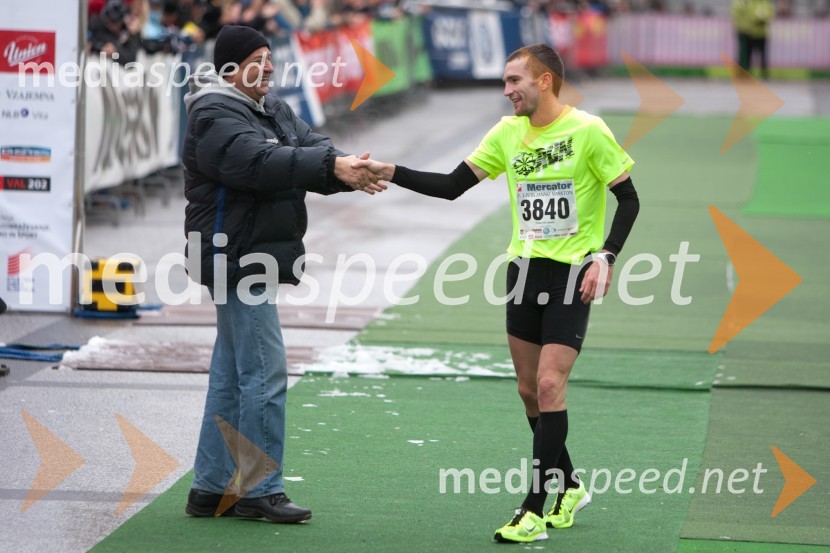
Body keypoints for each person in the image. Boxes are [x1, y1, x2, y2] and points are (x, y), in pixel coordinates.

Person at [354, 43, 639, 543]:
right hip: (524, 273)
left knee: (551, 386)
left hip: (572, 273)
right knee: (529, 391)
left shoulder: (589, 130)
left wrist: (606, 256)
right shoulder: (507, 133)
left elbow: (629, 200)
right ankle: (570, 484)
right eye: (505, 84)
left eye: (514, 82)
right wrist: (392, 171)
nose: (507, 92)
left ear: (544, 81)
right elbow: (449, 186)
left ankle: (533, 507)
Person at [182, 24, 383, 523]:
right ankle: (260, 490)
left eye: (270, 57)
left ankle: (209, 488)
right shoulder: (213, 111)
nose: (270, 67)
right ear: (231, 67)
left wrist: (344, 166)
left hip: (250, 255)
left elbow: (310, 147)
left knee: (232, 375)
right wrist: (330, 166)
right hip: (236, 257)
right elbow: (259, 162)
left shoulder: (269, 107)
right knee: (264, 373)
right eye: (258, 59)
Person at [731, 0, 775, 79]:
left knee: (759, 54)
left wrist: (762, 19)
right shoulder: (740, 2)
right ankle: (743, 72)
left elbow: (769, 12)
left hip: (757, 32)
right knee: (744, 53)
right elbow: (741, 14)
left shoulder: (761, 2)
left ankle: (760, 72)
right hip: (745, 31)